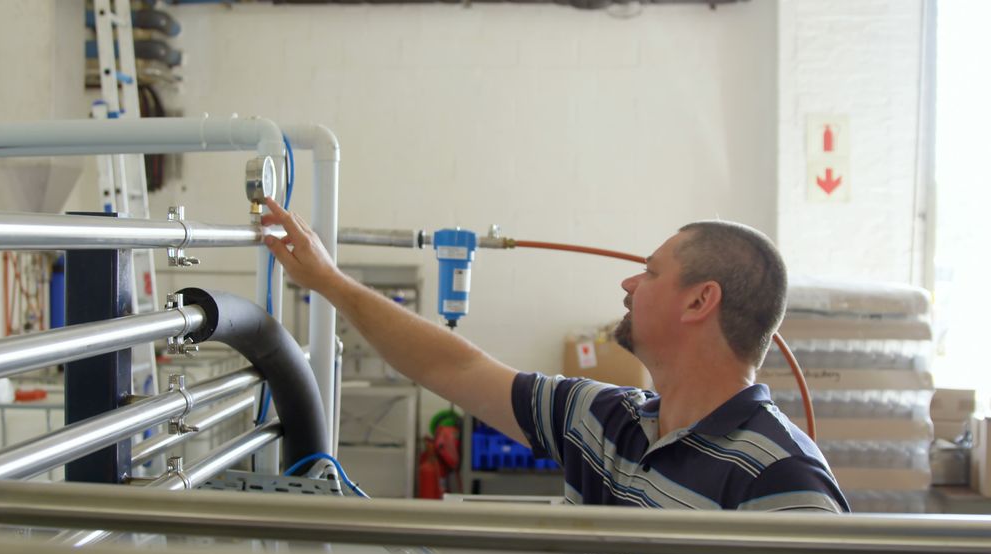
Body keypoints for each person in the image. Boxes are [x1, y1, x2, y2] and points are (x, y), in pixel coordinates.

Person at [262, 199, 849, 512]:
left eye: (649, 271)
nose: (628, 285)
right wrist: (331, 283)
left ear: (699, 300)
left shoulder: (783, 479)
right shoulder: (604, 419)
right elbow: (455, 367)